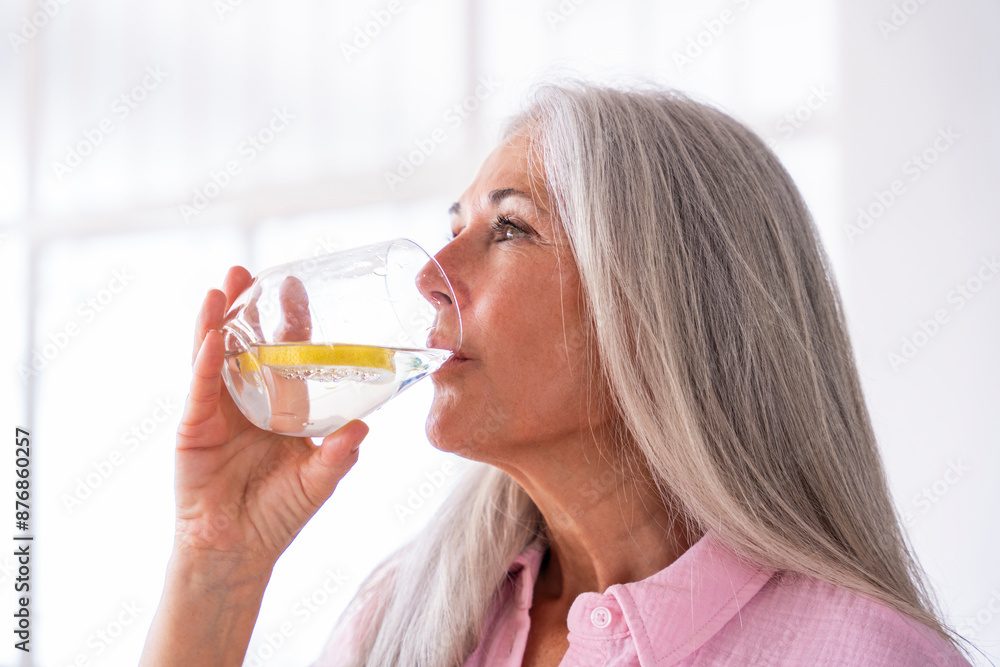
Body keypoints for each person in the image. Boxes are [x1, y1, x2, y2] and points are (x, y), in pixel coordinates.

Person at [141, 81, 973, 666]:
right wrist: (218, 559)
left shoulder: (861, 653)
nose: (431, 274)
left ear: (660, 310)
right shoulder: (404, 618)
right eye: (454, 225)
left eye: (509, 228)